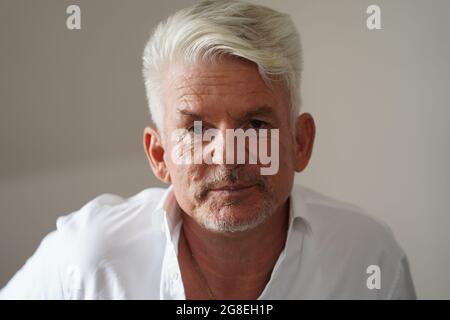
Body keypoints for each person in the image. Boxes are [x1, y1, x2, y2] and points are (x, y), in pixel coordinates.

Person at [0, 0, 416, 299]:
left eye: (256, 124)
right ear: (159, 156)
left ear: (300, 142)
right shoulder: (87, 263)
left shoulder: (367, 257)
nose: (228, 156)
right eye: (196, 129)